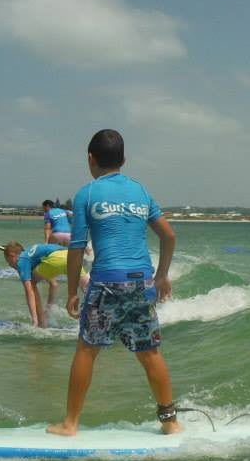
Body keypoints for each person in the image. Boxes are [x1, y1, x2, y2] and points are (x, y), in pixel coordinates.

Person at [47, 129, 180, 437]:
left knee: (87, 349)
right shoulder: (140, 191)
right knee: (150, 352)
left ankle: (70, 424)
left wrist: (70, 292)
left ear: (90, 159)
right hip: (141, 283)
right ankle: (170, 422)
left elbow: (77, 246)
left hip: (106, 283)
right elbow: (169, 236)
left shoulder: (87, 194)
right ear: (124, 159)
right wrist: (161, 276)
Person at [0, 242, 89, 327]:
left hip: (55, 259)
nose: (9, 265)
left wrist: (34, 318)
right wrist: (49, 307)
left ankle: (41, 322)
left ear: (12, 256)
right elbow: (54, 284)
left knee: (32, 282)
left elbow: (29, 291)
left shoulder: (22, 261)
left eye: (8, 261)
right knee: (88, 290)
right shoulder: (35, 256)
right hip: (71, 256)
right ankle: (93, 319)